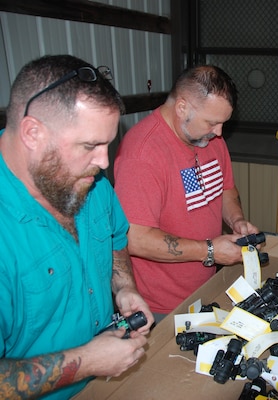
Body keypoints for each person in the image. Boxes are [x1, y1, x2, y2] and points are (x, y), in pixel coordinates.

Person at [0, 55, 154, 399]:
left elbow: (114, 237)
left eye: (107, 144)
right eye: (90, 146)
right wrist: (86, 361)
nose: (104, 162)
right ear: (33, 133)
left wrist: (124, 288)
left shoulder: (88, 180)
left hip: (105, 383)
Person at [114, 65, 259, 322]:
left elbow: (225, 190)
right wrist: (210, 252)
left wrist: (236, 221)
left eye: (223, 123)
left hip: (206, 287)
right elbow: (135, 239)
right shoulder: (142, 154)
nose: (219, 133)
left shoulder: (208, 138)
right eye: (212, 122)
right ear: (182, 108)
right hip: (161, 305)